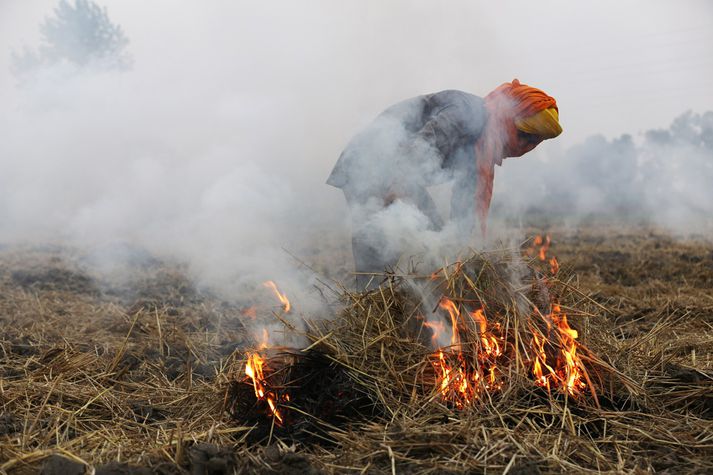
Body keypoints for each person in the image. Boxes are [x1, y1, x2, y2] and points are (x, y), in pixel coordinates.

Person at [327, 79, 562, 288]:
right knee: (379, 247)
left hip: (399, 173)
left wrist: (466, 252)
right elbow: (421, 148)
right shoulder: (466, 114)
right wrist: (397, 191)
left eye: (534, 141)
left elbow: (467, 204)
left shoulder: (482, 150)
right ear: (507, 116)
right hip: (370, 164)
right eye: (524, 135)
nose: (526, 145)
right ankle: (366, 315)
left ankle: (419, 306)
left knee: (438, 243)